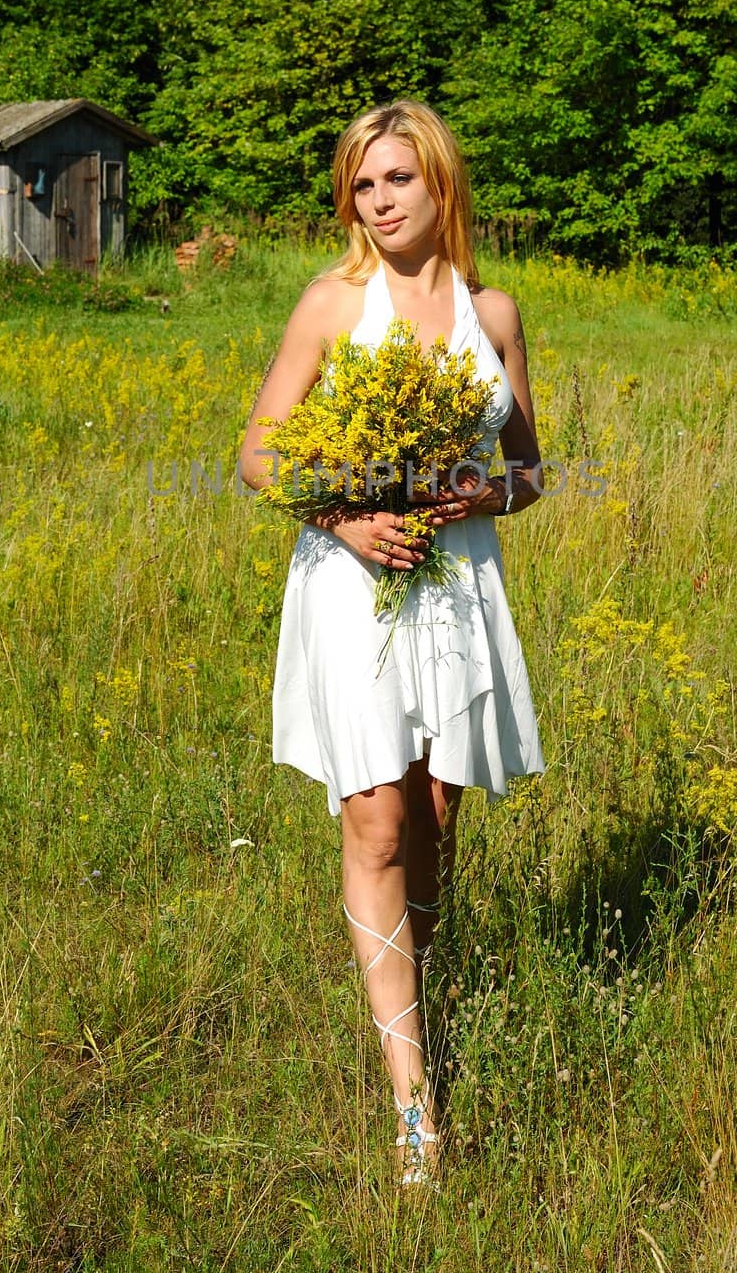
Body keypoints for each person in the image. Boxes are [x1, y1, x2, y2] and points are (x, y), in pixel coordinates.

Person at [239, 100, 544, 1187]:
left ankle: (420, 985)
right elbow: (258, 453)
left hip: (456, 586)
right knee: (373, 820)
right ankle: (413, 1103)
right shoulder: (330, 303)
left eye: (397, 180)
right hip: (347, 576)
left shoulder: (491, 311)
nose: (380, 202)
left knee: (432, 819)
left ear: (439, 186)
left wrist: (478, 489)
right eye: (363, 186)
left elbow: (531, 470)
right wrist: (345, 517)